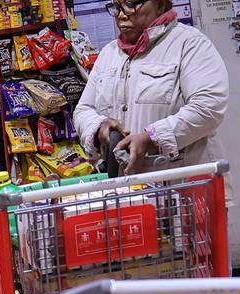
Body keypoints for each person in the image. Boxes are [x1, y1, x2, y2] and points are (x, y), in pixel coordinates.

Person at [73, 0, 229, 175]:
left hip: (183, 184)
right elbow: (83, 110)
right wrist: (99, 126)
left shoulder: (190, 44)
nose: (122, 15)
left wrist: (153, 138)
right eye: (116, 7)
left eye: (131, 4)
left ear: (160, 5)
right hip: (128, 187)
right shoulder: (108, 54)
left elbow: (208, 107)